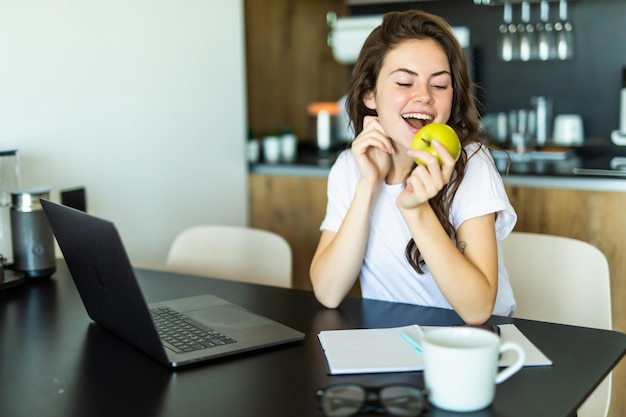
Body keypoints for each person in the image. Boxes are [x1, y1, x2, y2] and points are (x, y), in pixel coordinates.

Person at [309, 10, 517, 325]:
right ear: (370, 94)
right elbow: (328, 292)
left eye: (440, 85)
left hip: (470, 348)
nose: (423, 96)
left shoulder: (470, 164)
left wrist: (415, 209)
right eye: (405, 82)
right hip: (391, 346)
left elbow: (477, 310)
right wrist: (368, 185)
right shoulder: (350, 168)